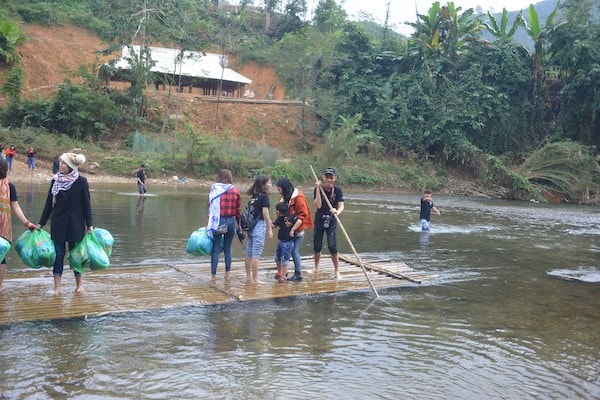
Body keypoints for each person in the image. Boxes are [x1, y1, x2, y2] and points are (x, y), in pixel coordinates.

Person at [37, 152, 93, 295]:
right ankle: (57, 288)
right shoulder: (55, 181)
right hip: (58, 223)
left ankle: (79, 285)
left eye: (62, 163)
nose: (60, 165)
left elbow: (87, 205)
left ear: (70, 166)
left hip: (76, 224)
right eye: (60, 162)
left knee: (76, 255)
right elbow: (49, 205)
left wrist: (89, 225)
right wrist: (41, 223)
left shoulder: (81, 181)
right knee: (58, 255)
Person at [0, 159, 38, 291]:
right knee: (2, 256)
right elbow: (15, 207)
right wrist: (27, 223)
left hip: (2, 228)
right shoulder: (10, 186)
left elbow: (16, 207)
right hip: (4, 227)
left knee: (1, 255)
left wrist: (27, 223)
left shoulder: (10, 186)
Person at [275, 177, 313, 282]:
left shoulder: (299, 198)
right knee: (285, 251)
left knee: (294, 251)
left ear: (284, 188)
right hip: (286, 231)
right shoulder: (283, 199)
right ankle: (283, 273)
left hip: (297, 230)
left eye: (279, 190)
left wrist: (293, 225)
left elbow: (303, 215)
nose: (279, 192)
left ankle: (298, 273)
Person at [207, 169, 241, 282]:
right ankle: (227, 274)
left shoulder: (214, 189)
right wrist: (238, 223)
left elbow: (210, 207)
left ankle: (213, 276)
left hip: (218, 221)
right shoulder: (235, 191)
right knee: (227, 249)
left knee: (216, 249)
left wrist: (208, 222)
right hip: (231, 221)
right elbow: (238, 210)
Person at [312, 167, 345, 280]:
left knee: (332, 245)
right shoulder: (318, 189)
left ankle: (337, 271)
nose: (329, 179)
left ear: (334, 178)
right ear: (323, 177)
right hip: (319, 218)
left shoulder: (338, 191)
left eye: (331, 177)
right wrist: (317, 189)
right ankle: (316, 267)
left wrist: (337, 211)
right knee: (317, 244)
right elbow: (318, 205)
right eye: (327, 177)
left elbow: (341, 206)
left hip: (332, 219)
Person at [244, 174, 273, 284]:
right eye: (269, 182)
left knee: (249, 252)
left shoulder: (253, 196)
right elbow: (265, 213)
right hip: (259, 226)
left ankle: (248, 276)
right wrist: (270, 229)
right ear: (264, 185)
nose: (271, 184)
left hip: (251, 227)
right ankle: (255, 279)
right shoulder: (264, 196)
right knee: (256, 253)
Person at [272, 202, 297, 283]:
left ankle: (284, 275)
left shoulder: (290, 217)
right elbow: (274, 225)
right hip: (281, 241)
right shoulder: (279, 218)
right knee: (277, 258)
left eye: (276, 210)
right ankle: (279, 272)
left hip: (288, 241)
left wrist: (293, 229)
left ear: (279, 211)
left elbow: (299, 221)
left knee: (285, 259)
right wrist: (268, 221)